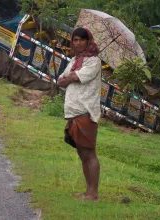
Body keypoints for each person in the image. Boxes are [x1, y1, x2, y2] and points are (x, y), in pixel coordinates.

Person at [57, 27, 101, 201]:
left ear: (88, 41)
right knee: (82, 153)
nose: (77, 43)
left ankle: (94, 193)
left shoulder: (94, 62)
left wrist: (70, 77)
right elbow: (61, 80)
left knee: (89, 153)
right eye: (75, 40)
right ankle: (87, 191)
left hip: (86, 111)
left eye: (81, 40)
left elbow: (75, 78)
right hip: (73, 112)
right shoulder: (75, 60)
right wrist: (69, 76)